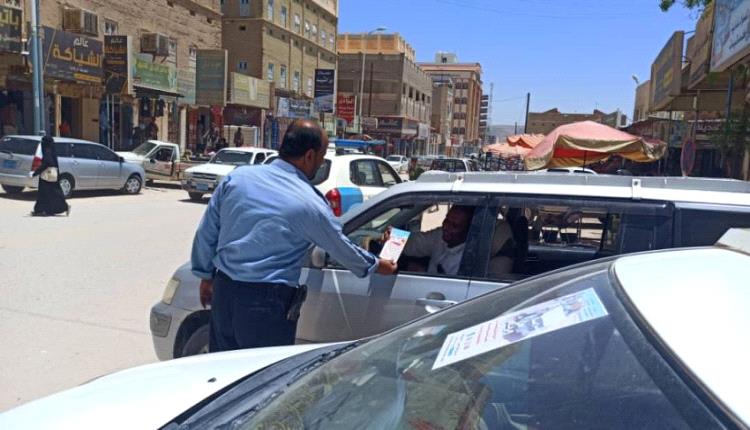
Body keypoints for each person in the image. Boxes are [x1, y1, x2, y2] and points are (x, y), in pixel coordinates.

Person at [191, 119, 398, 352]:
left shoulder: (238, 178)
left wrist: (205, 276)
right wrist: (377, 265)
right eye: (321, 157)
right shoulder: (309, 203)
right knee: (266, 373)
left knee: (224, 369)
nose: (320, 163)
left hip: (224, 292)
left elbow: (206, 233)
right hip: (266, 306)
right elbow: (340, 247)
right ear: (309, 156)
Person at [384, 205, 475, 276]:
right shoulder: (440, 235)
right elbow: (414, 243)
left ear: (468, 231)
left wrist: (424, 272)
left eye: (455, 226)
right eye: (446, 220)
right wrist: (392, 236)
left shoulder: (468, 258)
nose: (446, 227)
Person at [31, 136, 69, 217]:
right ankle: (45, 210)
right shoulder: (52, 150)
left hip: (47, 176)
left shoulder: (47, 151)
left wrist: (36, 172)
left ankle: (41, 210)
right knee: (52, 194)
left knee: (44, 194)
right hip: (52, 175)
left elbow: (47, 163)